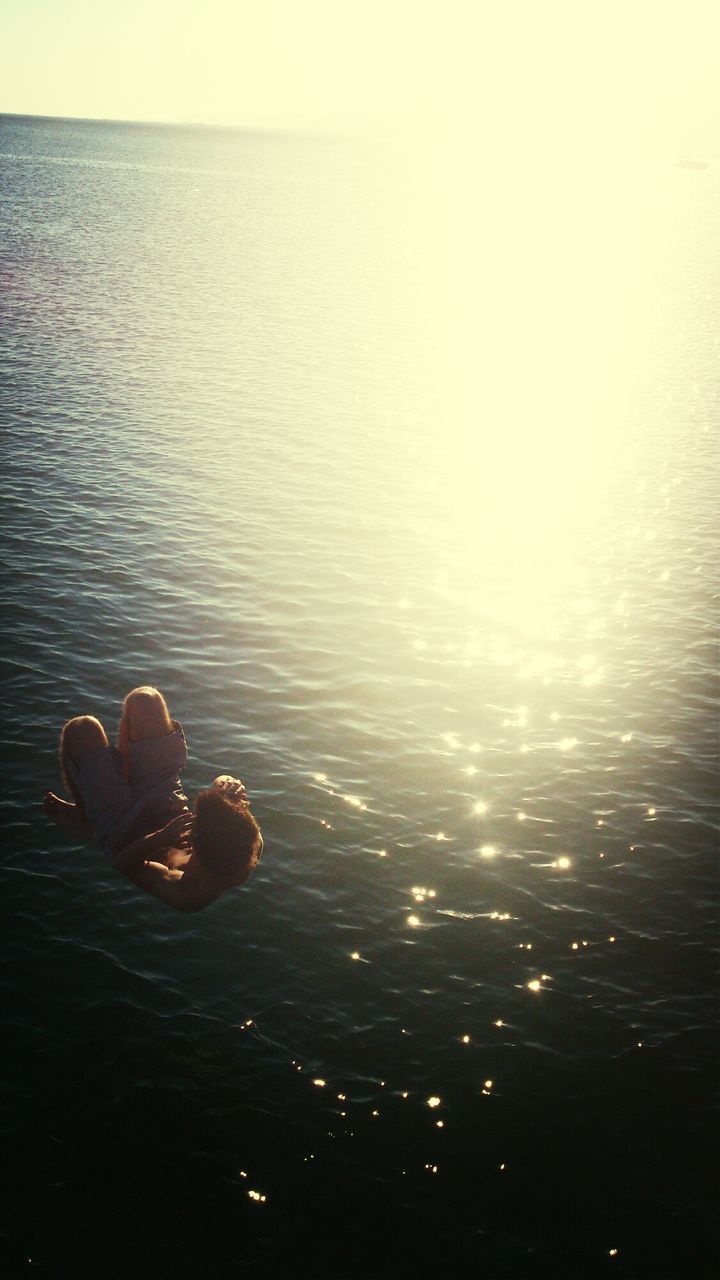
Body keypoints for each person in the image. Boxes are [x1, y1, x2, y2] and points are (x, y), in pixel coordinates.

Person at [43, 686, 263, 913]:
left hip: (127, 833)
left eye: (196, 831)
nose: (194, 827)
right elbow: (226, 797)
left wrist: (162, 837)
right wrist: (225, 784)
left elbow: (122, 864)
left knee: (82, 728)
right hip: (165, 802)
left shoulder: (187, 892)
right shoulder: (244, 841)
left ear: (200, 850)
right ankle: (123, 779)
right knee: (145, 699)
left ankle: (86, 820)